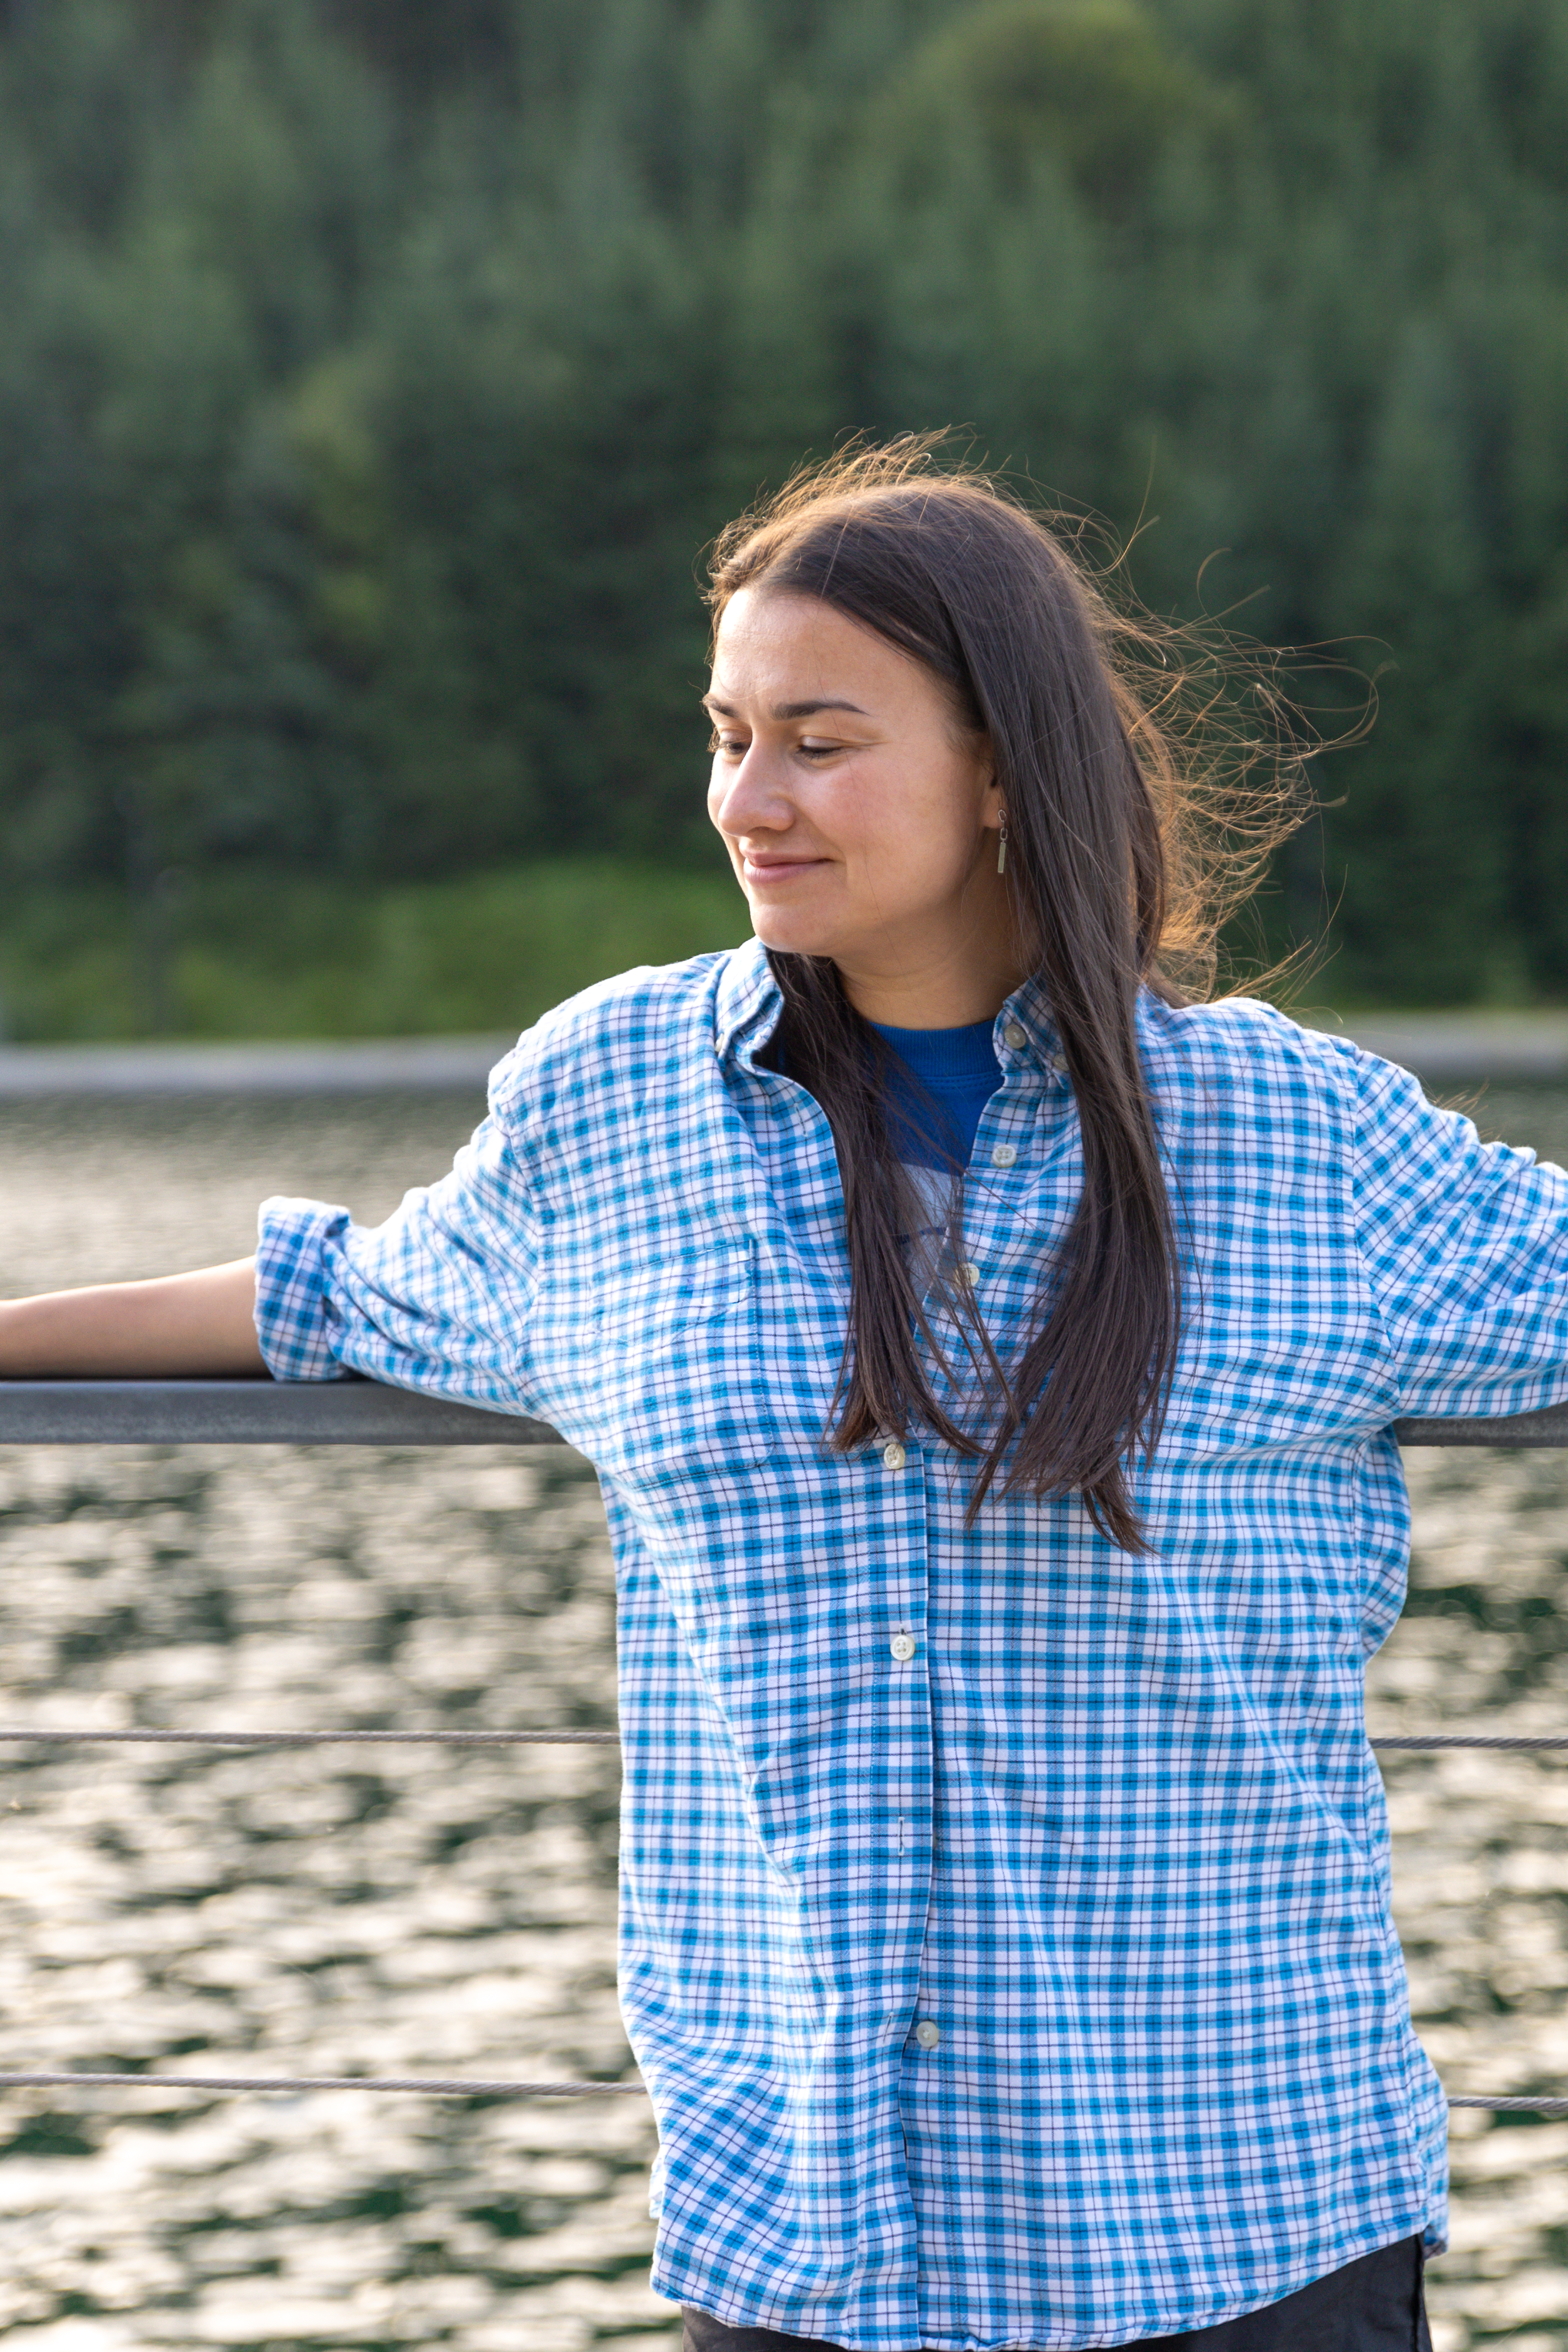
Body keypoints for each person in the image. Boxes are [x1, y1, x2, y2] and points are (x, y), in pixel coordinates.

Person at [17, 434, 1557, 2352]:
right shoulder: (607, 1108)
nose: (751, 798)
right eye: (729, 733)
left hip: (1237, 2226)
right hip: (806, 2241)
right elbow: (333, 1295)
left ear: (1001, 772)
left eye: (820, 740)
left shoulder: (1296, 1141)